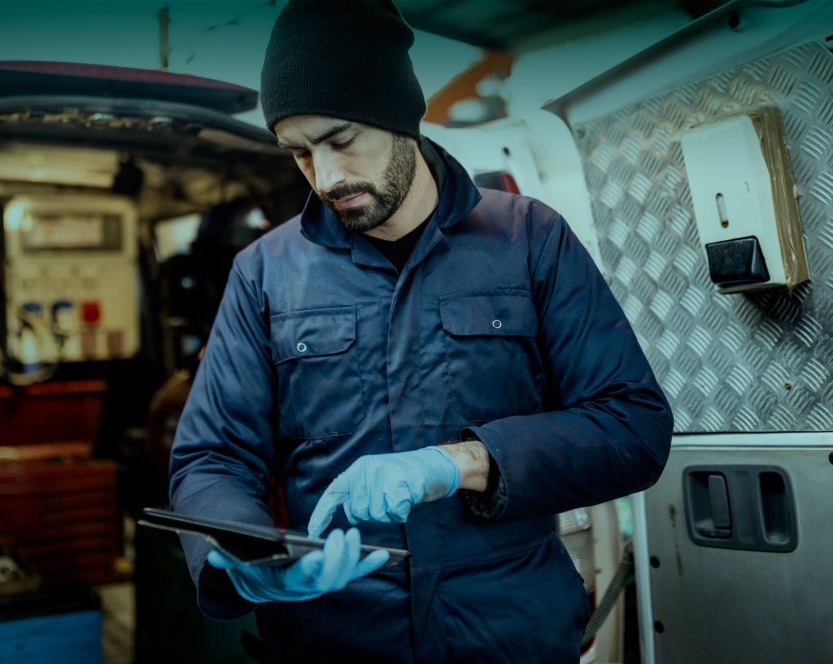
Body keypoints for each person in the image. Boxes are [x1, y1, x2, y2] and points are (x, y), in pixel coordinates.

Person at [168, 0, 674, 661]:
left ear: (399, 117)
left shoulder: (529, 239)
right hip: (335, 640)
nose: (326, 177)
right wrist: (246, 556)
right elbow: (211, 458)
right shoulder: (265, 273)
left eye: (342, 141)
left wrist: (459, 463)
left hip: (505, 635)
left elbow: (632, 426)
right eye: (299, 153)